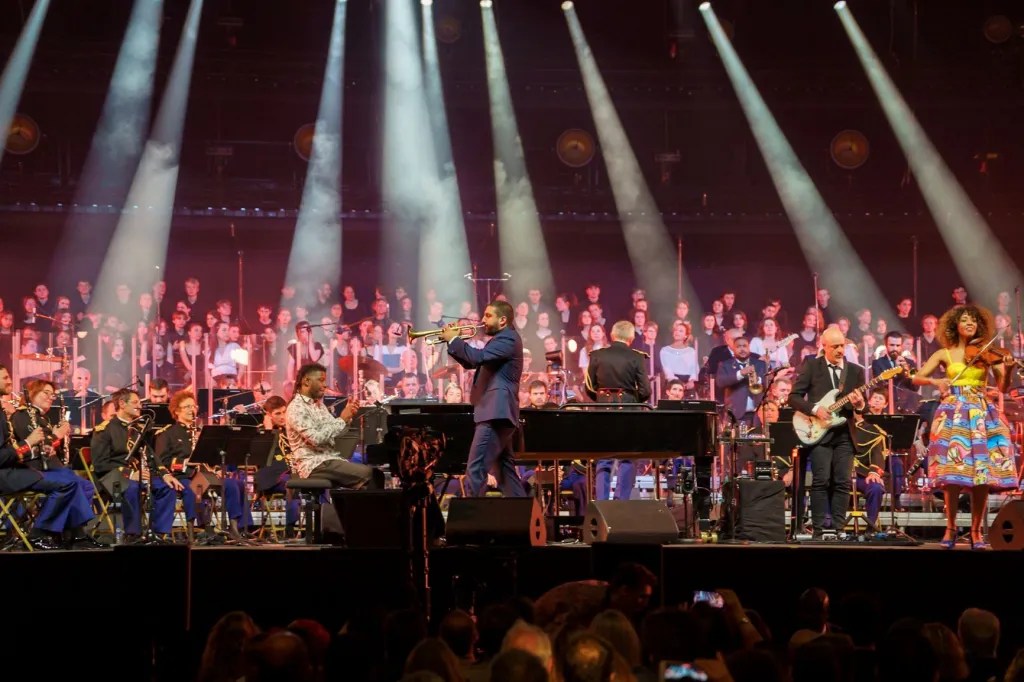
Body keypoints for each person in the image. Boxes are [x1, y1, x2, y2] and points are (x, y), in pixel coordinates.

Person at [912, 304, 1016, 549]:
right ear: (955, 325)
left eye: (973, 320)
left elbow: (1003, 387)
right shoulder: (944, 354)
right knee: (952, 474)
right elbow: (917, 377)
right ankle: (950, 528)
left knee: (981, 475)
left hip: (981, 412)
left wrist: (1009, 368)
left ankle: (976, 531)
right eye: (965, 320)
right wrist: (936, 381)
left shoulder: (986, 352)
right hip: (953, 413)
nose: (970, 323)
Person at [0, 367, 100, 550]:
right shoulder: (22, 415)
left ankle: (73, 534)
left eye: (52, 394)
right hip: (31, 468)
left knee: (83, 485)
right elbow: (25, 447)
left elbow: (37, 446)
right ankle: (49, 533)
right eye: (46, 393)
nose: (51, 397)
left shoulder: (42, 418)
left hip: (40, 466)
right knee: (72, 484)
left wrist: (52, 444)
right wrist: (54, 437)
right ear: (32, 393)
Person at [440, 300, 526, 497]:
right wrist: (452, 341)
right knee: (505, 472)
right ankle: (525, 513)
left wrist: (454, 339)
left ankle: (473, 514)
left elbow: (477, 358)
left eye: (488, 315)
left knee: (476, 469)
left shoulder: (508, 338)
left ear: (502, 320)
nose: (482, 320)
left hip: (495, 413)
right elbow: (472, 363)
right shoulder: (501, 339)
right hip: (497, 412)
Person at [788, 325, 866, 538]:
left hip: (845, 434)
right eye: (835, 346)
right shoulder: (812, 366)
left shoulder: (855, 371)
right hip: (819, 433)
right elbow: (793, 397)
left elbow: (862, 407)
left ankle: (840, 529)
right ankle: (818, 529)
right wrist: (815, 409)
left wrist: (860, 405)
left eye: (842, 345)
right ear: (824, 346)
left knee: (842, 482)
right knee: (821, 481)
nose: (840, 350)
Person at [286, 363, 382, 536]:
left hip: (329, 459)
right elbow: (316, 439)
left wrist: (347, 417)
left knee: (376, 475)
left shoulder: (318, 406)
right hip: (314, 464)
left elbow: (334, 433)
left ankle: (360, 529)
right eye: (321, 380)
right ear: (306, 381)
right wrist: (341, 420)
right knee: (371, 475)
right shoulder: (296, 408)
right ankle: (366, 532)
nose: (325, 385)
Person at [91, 387, 184, 539]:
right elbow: (100, 464)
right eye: (135, 403)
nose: (140, 406)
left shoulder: (139, 429)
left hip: (138, 474)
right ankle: (133, 534)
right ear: (122, 404)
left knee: (167, 487)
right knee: (132, 487)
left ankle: (159, 534)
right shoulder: (105, 429)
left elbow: (151, 454)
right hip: (112, 477)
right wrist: (130, 474)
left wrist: (165, 474)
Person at [585, 320, 652, 501]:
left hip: (603, 410)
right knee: (627, 456)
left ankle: (602, 502)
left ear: (612, 335)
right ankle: (621, 502)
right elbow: (646, 390)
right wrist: (632, 400)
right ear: (631, 337)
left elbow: (589, 387)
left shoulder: (597, 355)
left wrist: (602, 400)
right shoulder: (636, 357)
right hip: (628, 410)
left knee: (604, 456)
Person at [153, 390, 204, 541]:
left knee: (233, 485)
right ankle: (194, 529)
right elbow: (163, 461)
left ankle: (237, 529)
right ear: (176, 411)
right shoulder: (167, 433)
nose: (191, 410)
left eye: (193, 406)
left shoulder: (202, 432)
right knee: (194, 488)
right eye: (187, 406)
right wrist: (185, 464)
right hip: (181, 476)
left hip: (203, 475)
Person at [252, 395, 301, 537]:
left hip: (292, 473)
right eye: (277, 413)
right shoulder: (261, 432)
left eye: (284, 412)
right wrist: (269, 431)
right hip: (270, 477)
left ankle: (323, 527)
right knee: (292, 484)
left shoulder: (291, 431)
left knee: (321, 482)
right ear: (268, 415)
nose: (283, 416)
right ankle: (290, 530)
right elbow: (262, 457)